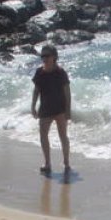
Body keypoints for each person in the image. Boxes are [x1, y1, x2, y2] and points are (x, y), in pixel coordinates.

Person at [31, 44, 71, 177]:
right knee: (43, 135)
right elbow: (36, 91)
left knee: (63, 136)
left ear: (54, 57)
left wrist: (68, 110)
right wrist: (33, 106)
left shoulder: (60, 72)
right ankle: (47, 163)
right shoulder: (39, 72)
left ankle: (66, 162)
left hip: (59, 109)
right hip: (45, 110)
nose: (44, 58)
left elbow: (67, 92)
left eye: (47, 56)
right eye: (42, 56)